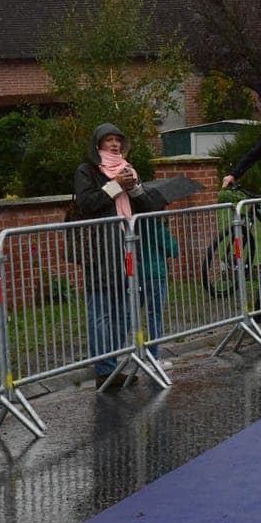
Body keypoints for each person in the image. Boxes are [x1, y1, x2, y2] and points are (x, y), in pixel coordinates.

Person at [73, 124, 160, 389]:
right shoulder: (87, 170)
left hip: (126, 249)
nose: (114, 144)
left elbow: (150, 207)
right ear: (98, 145)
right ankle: (103, 370)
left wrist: (135, 190)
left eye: (117, 140)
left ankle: (114, 366)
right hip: (100, 250)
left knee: (122, 313)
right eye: (108, 140)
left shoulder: (128, 170)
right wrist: (115, 186)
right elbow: (87, 203)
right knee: (100, 312)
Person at [136, 213, 179, 361]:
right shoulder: (157, 225)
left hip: (137, 273)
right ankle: (154, 357)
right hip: (156, 274)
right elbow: (173, 250)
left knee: (133, 316)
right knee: (155, 316)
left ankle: (137, 353)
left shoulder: (134, 223)